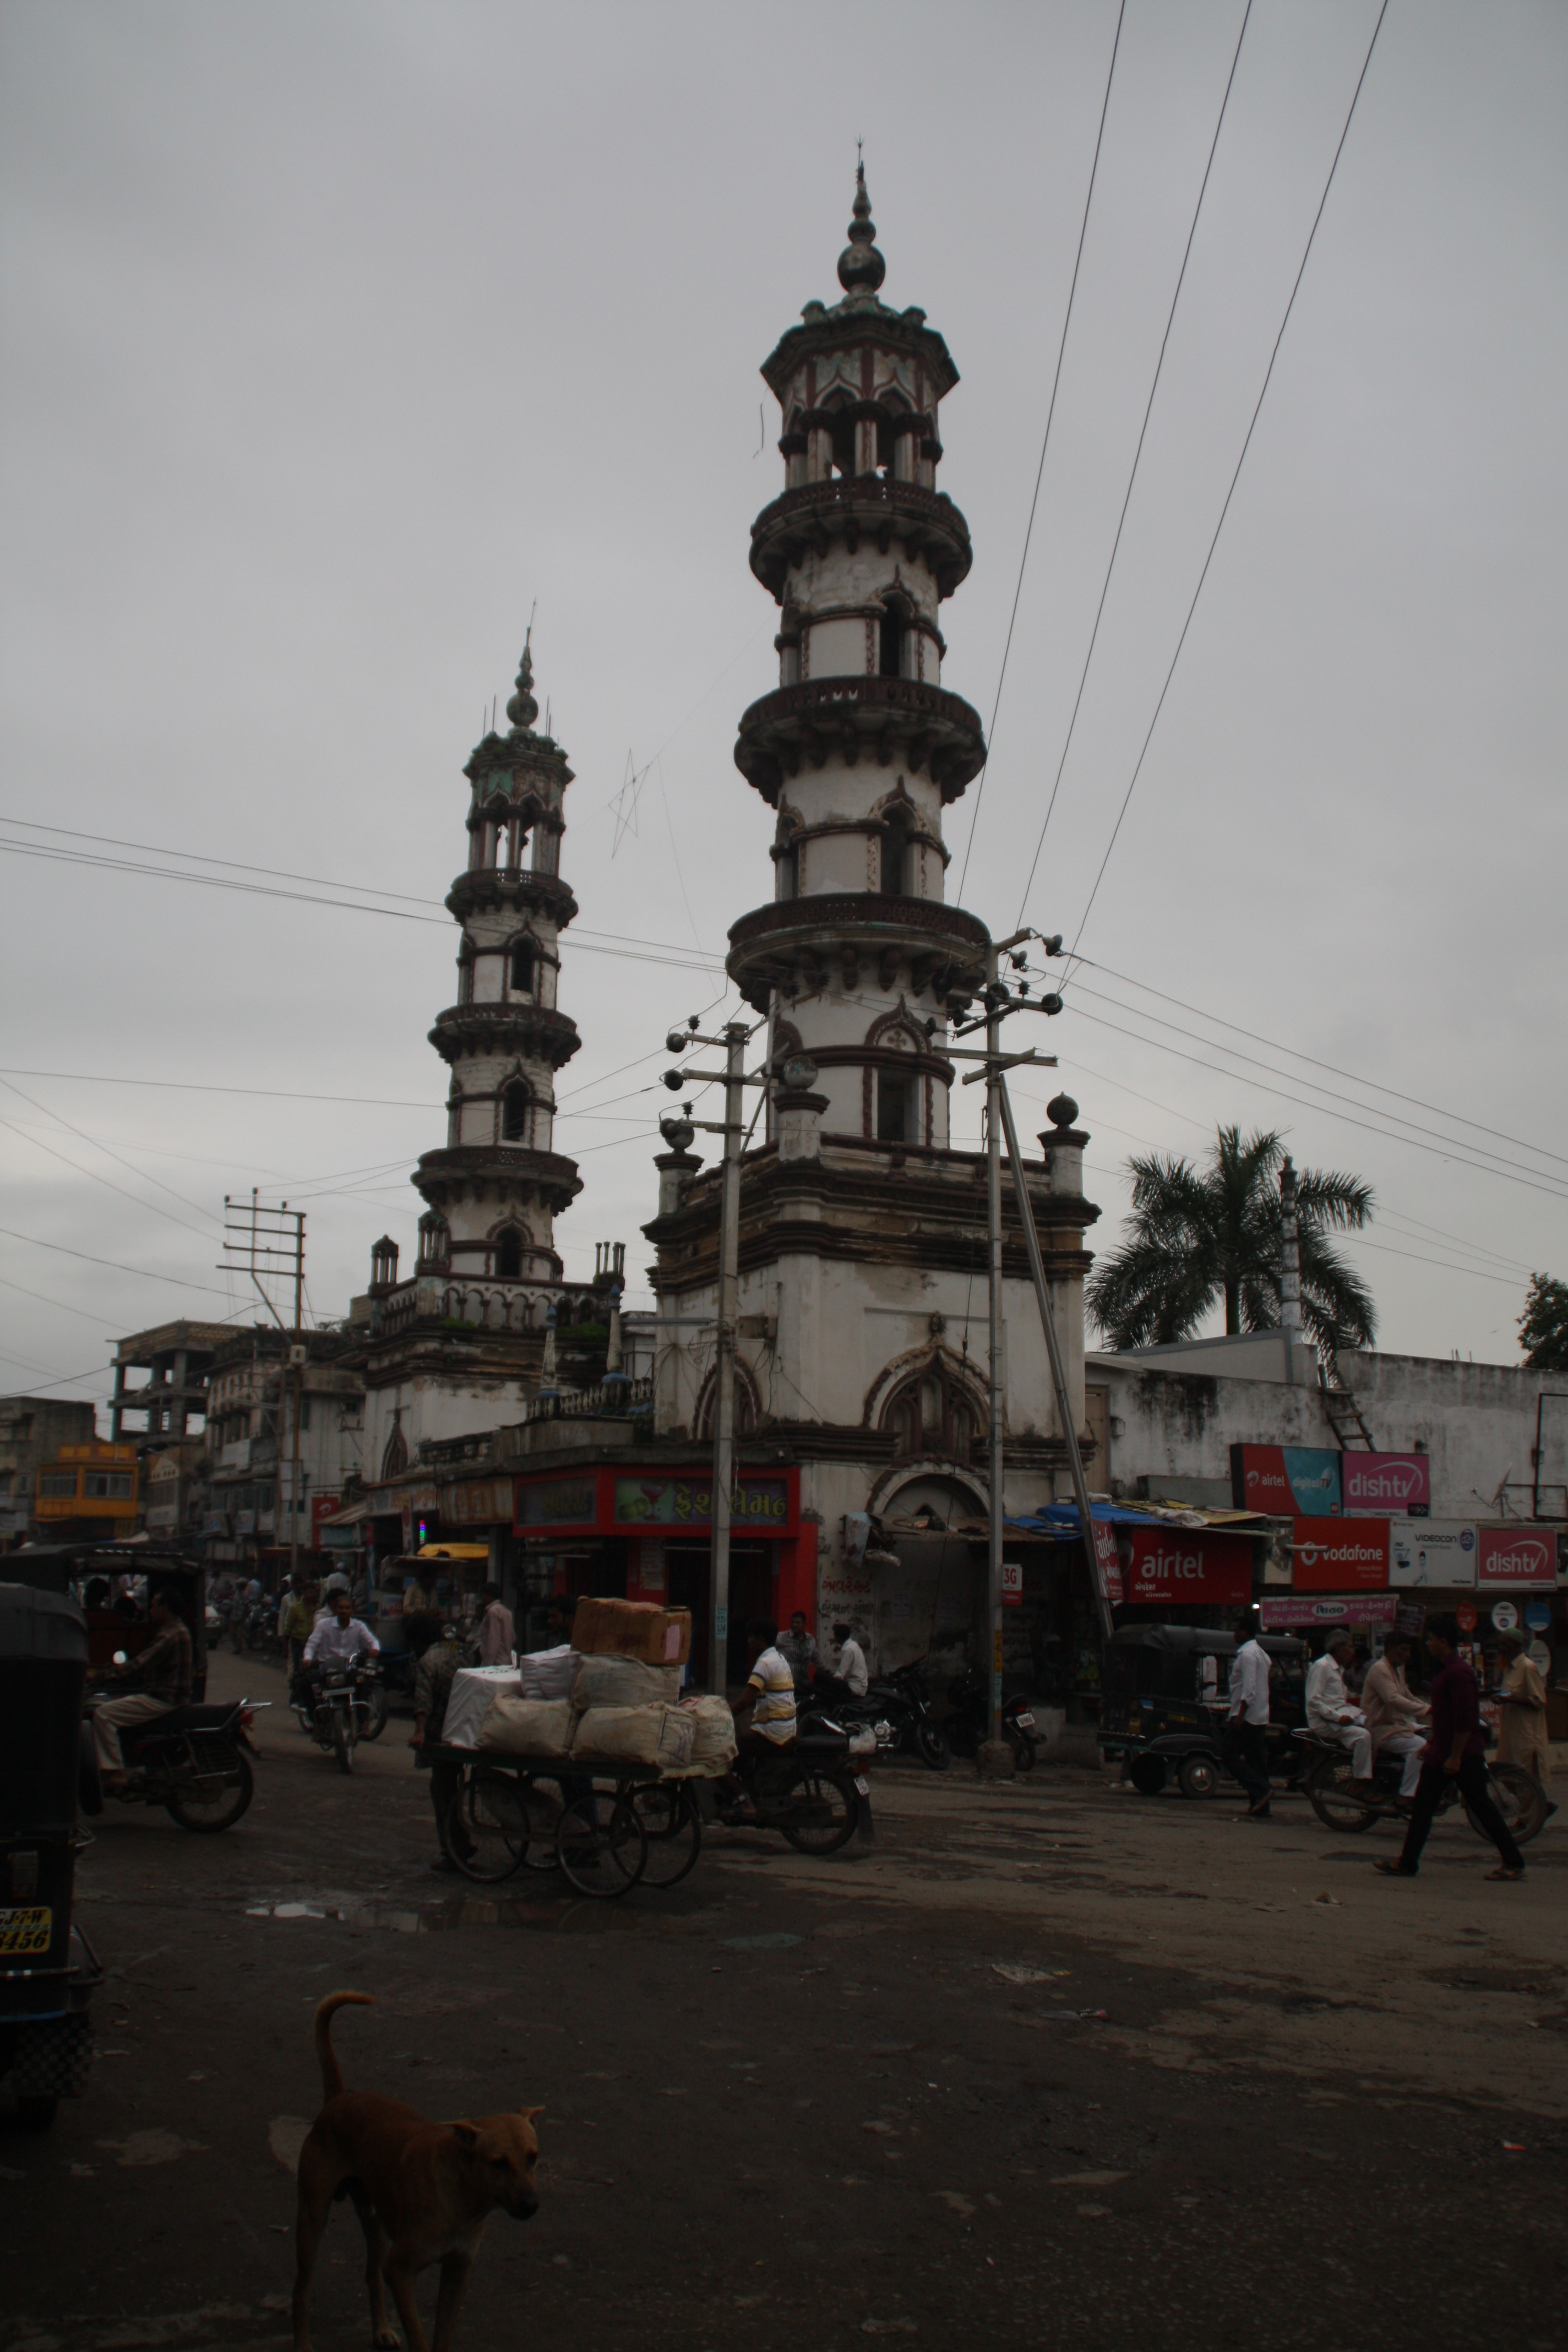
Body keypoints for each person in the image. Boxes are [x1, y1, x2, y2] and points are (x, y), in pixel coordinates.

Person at [1374, 1616, 1527, 1882]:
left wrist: (1455, 1757)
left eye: (1431, 1640)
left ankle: (1513, 1862)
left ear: (1443, 1643)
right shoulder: (1445, 1670)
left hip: (1462, 1755)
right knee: (1423, 1807)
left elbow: (1465, 1720)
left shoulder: (1459, 1673)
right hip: (1442, 1753)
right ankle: (1407, 1862)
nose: (1428, 1645)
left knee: (1482, 1807)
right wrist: (1432, 1742)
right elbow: (1445, 1716)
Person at [92, 1586, 193, 1787]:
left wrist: (99, 1675)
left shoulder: (169, 1636)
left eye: (154, 1606)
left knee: (103, 1714)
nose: (150, 1611)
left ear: (165, 1608)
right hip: (166, 1695)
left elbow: (138, 1665)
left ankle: (116, 1772)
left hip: (164, 1699)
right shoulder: (176, 1630)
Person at [409, 1617, 475, 1872]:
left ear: (417, 1642)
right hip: (465, 1730)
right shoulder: (459, 1655)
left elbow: (423, 1700)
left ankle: (454, 1850)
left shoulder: (427, 1661)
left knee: (443, 1792)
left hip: (441, 1735)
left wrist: (419, 1732)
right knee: (449, 1789)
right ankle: (459, 1843)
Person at [725, 1619, 798, 1815]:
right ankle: (751, 1786)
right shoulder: (780, 1659)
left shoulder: (764, 1664)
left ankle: (744, 1801)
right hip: (785, 1730)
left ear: (760, 1639)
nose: (748, 1641)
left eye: (751, 1637)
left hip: (772, 1734)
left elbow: (745, 1701)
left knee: (726, 1752)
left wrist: (723, 1715)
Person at [1358, 1630, 1429, 1801]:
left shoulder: (1395, 1671)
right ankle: (1407, 1795)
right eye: (1403, 1650)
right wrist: (1426, 1711)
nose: (1407, 1655)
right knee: (1419, 1747)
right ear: (1390, 1648)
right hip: (1380, 1728)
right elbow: (1394, 1700)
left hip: (1395, 1725)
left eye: (1409, 1651)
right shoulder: (1381, 1669)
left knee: (1428, 1731)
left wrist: (1432, 1708)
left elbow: (1408, 1697)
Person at [296, 1587, 380, 1713]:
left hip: (350, 1669)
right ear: (335, 1610)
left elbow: (371, 1641)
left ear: (353, 1610)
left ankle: (362, 1719)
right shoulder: (323, 1625)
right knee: (304, 1683)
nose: (343, 1611)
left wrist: (374, 1649)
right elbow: (312, 1644)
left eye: (347, 1608)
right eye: (341, 1608)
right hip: (326, 1668)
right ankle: (314, 1715)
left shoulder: (359, 1626)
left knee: (366, 1683)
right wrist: (308, 1659)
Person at [1224, 1610, 1273, 1819]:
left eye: (1236, 1631)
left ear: (1245, 1632)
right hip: (1259, 1716)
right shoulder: (1261, 1654)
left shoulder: (1248, 1655)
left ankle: (1262, 1789)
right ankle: (1261, 1805)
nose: (1234, 1635)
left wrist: (1241, 1715)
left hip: (1247, 1716)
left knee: (1228, 1754)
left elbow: (1250, 1688)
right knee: (1256, 1760)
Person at [1494, 1631, 1553, 1794]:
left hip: (1526, 1739)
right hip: (1511, 1738)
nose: (1501, 1648)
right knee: (1508, 1779)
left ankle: (1536, 1808)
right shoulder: (1508, 1668)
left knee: (1526, 1784)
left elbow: (1539, 1700)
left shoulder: (1528, 1667)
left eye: (1505, 1644)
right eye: (1500, 1644)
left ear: (1515, 1645)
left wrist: (1511, 1700)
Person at [1305, 1631, 1365, 1770]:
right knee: (1363, 1737)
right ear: (1339, 1649)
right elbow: (1313, 1701)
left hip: (1337, 1717)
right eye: (1350, 1647)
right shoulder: (1322, 1666)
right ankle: (1361, 1778)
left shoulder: (1339, 1670)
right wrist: (1338, 1718)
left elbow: (1336, 1700)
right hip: (1324, 1722)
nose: (1353, 1652)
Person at [815, 1621, 868, 1707]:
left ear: (838, 1637)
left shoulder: (848, 1650)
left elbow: (840, 1675)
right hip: (858, 1685)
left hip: (854, 1687)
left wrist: (830, 1679)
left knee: (819, 1676)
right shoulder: (853, 1645)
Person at [278, 1576, 320, 1679]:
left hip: (313, 1642)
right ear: (304, 1594)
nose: (312, 1595)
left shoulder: (319, 1609)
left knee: (311, 1666)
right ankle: (294, 1683)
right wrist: (284, 1646)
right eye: (309, 1593)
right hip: (297, 1642)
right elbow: (288, 1627)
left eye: (313, 1593)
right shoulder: (296, 1608)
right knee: (297, 1666)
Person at [776, 1609, 817, 1693]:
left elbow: (816, 1657)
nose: (795, 1625)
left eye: (798, 1623)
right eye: (793, 1622)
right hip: (786, 1683)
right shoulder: (782, 1637)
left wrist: (826, 1671)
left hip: (803, 1683)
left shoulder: (810, 1640)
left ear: (805, 1625)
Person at [477, 1582, 515, 1667]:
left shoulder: (493, 1612)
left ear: (490, 1595)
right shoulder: (507, 1612)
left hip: (496, 1661)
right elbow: (512, 1637)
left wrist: (488, 1663)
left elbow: (493, 1639)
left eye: (484, 1596)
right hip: (506, 1658)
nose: (483, 1599)